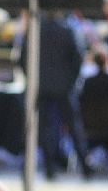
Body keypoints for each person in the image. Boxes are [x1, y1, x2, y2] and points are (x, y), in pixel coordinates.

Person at [21, 11, 92, 180]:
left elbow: (23, 59)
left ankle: (49, 168)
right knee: (74, 127)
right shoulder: (68, 30)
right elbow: (78, 58)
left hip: (41, 87)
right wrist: (71, 82)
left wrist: (34, 81)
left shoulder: (34, 31)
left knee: (45, 128)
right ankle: (85, 167)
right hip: (65, 87)